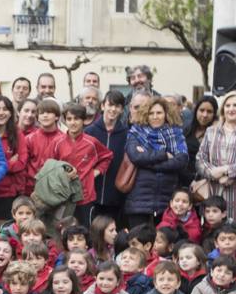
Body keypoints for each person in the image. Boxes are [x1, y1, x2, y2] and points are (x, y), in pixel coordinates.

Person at [196, 91, 236, 222]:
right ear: (222, 109)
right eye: (228, 105)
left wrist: (227, 171)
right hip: (215, 195)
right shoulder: (211, 131)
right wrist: (213, 173)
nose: (231, 109)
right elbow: (200, 159)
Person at [123, 96, 188, 228]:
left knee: (163, 243)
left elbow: (181, 161)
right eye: (151, 113)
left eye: (159, 113)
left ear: (166, 114)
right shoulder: (136, 133)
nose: (155, 116)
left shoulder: (176, 134)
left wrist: (147, 160)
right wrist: (164, 155)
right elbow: (136, 157)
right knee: (138, 242)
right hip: (139, 200)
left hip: (166, 199)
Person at [87, 90, 129, 220]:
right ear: (102, 106)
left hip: (116, 197)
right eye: (110, 105)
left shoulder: (127, 134)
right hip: (92, 195)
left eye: (117, 106)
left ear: (122, 110)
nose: (113, 109)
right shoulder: (89, 131)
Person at [182, 95, 216, 185]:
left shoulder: (217, 134)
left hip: (206, 182)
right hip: (183, 179)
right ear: (196, 110)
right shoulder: (185, 129)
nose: (205, 115)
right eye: (202, 110)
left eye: (209, 112)